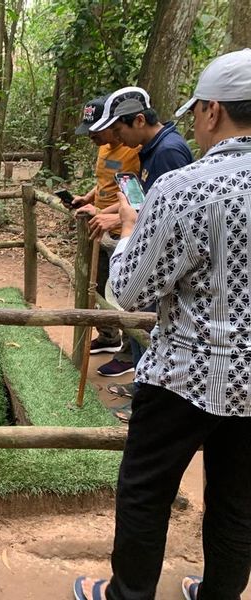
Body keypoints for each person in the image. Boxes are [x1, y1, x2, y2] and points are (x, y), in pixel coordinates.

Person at [74, 48, 251, 600]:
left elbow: (127, 292)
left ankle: (128, 595)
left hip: (186, 373)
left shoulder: (189, 185)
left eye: (197, 110)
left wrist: (128, 231)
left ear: (212, 111)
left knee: (145, 494)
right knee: (237, 502)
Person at [88, 86, 193, 382]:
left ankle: (143, 387)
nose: (117, 138)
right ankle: (139, 383)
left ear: (138, 121)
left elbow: (167, 215)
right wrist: (110, 215)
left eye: (119, 129)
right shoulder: (151, 150)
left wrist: (123, 224)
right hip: (146, 249)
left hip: (156, 257)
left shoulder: (168, 152)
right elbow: (146, 202)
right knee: (137, 321)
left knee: (144, 322)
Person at [71, 96, 141, 366]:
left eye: (95, 129)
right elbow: (105, 181)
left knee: (122, 289)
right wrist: (88, 199)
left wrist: (103, 213)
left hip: (120, 226)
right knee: (98, 283)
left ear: (111, 124)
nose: (91, 135)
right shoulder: (103, 149)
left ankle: (127, 354)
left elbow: (134, 196)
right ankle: (109, 335)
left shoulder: (132, 150)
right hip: (100, 224)